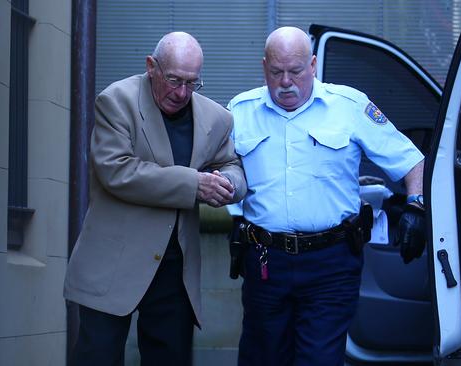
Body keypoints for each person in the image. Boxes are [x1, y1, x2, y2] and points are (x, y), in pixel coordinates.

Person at [227, 26, 426, 366]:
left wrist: (416, 206)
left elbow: (411, 160)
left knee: (319, 359)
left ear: (314, 65)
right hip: (265, 260)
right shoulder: (239, 111)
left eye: (296, 71)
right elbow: (218, 167)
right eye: (276, 72)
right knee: (262, 357)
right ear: (264, 68)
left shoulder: (349, 106)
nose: (286, 82)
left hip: (331, 264)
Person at [63, 32, 246, 366]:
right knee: (97, 358)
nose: (181, 93)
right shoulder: (116, 100)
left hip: (175, 267)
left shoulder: (217, 118)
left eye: (192, 83)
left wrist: (227, 184)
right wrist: (194, 183)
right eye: (174, 79)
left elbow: (231, 165)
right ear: (151, 66)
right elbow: (116, 171)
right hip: (112, 260)